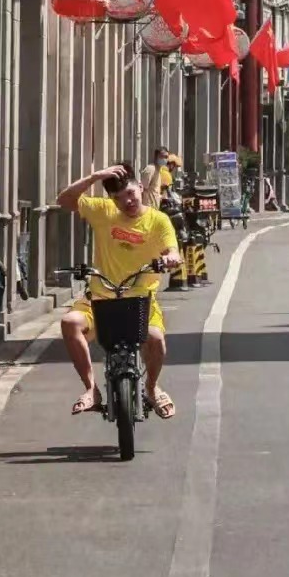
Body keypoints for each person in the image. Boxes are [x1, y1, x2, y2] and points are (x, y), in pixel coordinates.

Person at [58, 162, 182, 420]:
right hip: (100, 299)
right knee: (70, 322)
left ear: (140, 188)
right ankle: (91, 389)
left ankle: (151, 388)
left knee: (156, 339)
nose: (127, 201)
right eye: (118, 198)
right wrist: (94, 176)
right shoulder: (103, 211)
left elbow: (172, 250)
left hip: (141, 301)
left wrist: (171, 258)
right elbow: (64, 200)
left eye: (130, 193)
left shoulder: (158, 221)